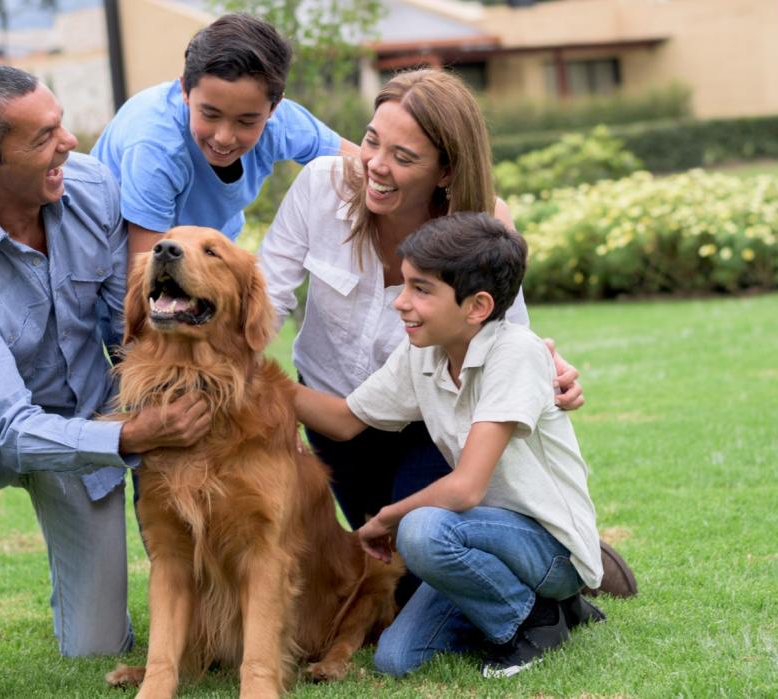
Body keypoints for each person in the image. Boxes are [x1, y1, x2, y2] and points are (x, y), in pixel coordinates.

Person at [259, 70, 625, 605]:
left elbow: (503, 332)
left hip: (427, 423)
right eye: (370, 140)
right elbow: (266, 298)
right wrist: (250, 382)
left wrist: (548, 367)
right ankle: (534, 558)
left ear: (446, 169)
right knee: (389, 583)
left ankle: (557, 558)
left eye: (404, 158)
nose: (376, 167)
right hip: (335, 412)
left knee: (415, 561)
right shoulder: (321, 187)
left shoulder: (481, 221)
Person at [0, 65, 209, 699]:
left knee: (96, 643)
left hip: (83, 422)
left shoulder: (90, 186)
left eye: (61, 122)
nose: (69, 142)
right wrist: (134, 435)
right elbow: (10, 424)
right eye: (43, 137)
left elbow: (125, 327)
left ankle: (77, 596)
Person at [293, 213, 606, 678]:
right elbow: (343, 421)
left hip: (549, 547)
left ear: (477, 306)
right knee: (396, 660)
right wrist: (253, 379)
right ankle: (557, 609)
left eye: (421, 290)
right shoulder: (423, 353)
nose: (400, 303)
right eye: (403, 285)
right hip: (479, 542)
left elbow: (465, 490)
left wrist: (386, 518)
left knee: (422, 530)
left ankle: (535, 621)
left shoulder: (515, 353)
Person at [91, 12, 355, 264]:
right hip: (117, 263)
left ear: (273, 108)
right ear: (185, 89)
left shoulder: (282, 123)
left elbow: (369, 165)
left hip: (202, 255)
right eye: (210, 114)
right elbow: (143, 280)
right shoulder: (156, 146)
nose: (224, 137)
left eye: (246, 121)